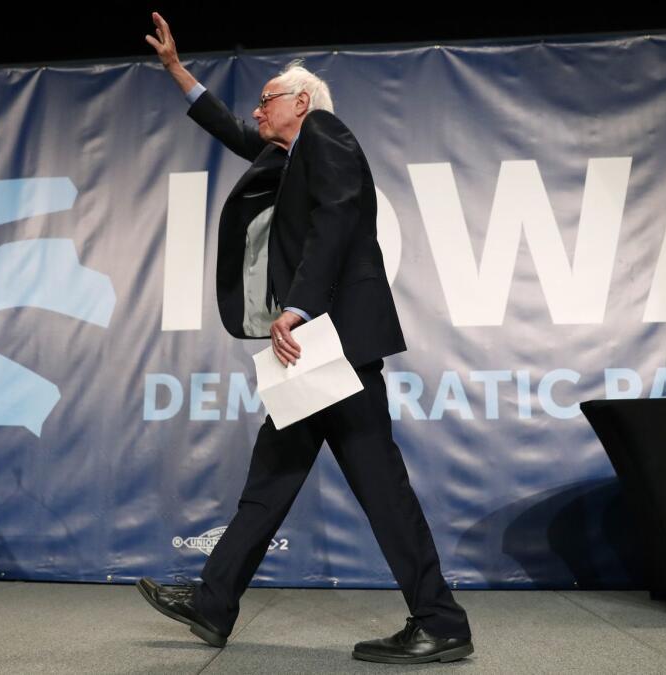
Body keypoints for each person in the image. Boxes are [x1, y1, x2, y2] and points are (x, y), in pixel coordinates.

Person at [136, 12, 473, 665]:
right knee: (273, 477)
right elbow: (235, 132)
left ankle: (442, 620)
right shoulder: (289, 152)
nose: (257, 109)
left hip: (332, 342)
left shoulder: (326, 130)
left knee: (381, 488)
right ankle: (213, 603)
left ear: (301, 102)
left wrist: (297, 304)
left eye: (267, 99)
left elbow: (339, 217)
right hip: (314, 350)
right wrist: (179, 73)